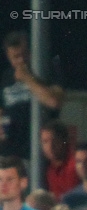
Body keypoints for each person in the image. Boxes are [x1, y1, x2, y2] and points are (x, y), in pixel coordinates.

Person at [0, 31, 64, 161]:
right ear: (8, 56)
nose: (21, 60)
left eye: (24, 54)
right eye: (16, 57)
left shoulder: (46, 70)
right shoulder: (6, 78)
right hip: (10, 152)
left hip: (39, 152)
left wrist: (28, 78)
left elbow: (54, 101)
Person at [40, 120, 79, 200]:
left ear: (64, 141)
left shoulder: (77, 163)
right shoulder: (49, 169)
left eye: (55, 141)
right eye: (45, 142)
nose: (50, 146)